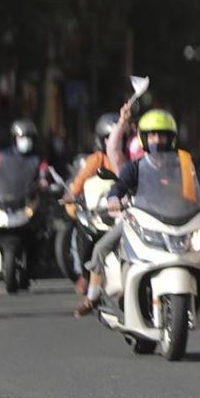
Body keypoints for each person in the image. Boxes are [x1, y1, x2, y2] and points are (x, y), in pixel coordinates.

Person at [74, 108, 200, 316]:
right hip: (141, 220)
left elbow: (198, 188)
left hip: (181, 220)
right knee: (100, 248)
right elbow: (119, 186)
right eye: (152, 134)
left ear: (171, 138)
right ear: (144, 138)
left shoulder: (183, 165)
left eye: (162, 135)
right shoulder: (135, 167)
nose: (157, 139)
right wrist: (114, 199)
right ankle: (92, 295)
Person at [64, 112, 122, 294]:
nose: (114, 143)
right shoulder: (96, 160)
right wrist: (72, 194)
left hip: (123, 214)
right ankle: (85, 275)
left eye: (118, 138)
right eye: (109, 138)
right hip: (98, 212)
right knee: (85, 234)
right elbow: (80, 180)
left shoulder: (127, 160)